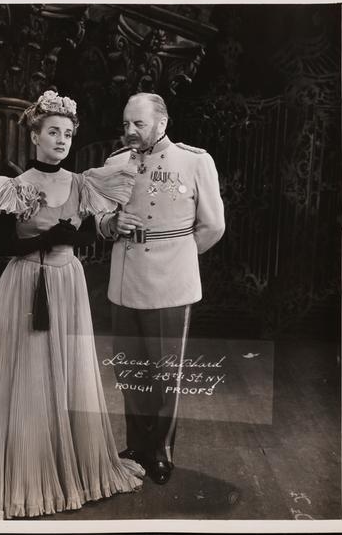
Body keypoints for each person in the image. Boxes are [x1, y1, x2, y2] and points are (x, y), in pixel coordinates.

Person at [0, 89, 144, 520]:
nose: (61, 141)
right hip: (25, 285)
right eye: (53, 132)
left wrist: (79, 235)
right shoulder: (16, 187)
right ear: (35, 136)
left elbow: (88, 234)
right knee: (29, 374)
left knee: (69, 373)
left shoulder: (81, 183)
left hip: (67, 282)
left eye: (68, 134)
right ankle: (27, 476)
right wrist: (44, 239)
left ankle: (68, 466)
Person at [96, 92, 225, 485]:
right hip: (126, 280)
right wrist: (110, 224)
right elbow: (100, 214)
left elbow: (213, 225)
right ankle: (136, 446)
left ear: (162, 123)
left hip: (171, 282)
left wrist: (178, 256)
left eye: (139, 123)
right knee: (130, 369)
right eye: (126, 123)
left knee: (166, 373)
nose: (130, 130)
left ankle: (161, 451)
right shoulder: (115, 163)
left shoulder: (195, 161)